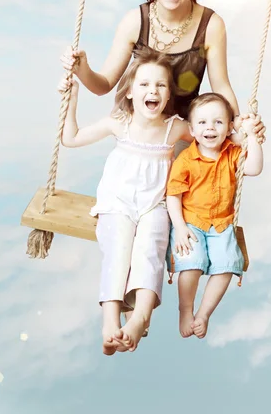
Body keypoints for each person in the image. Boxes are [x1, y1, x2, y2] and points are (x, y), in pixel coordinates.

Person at [59, 0, 266, 141]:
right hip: (140, 132)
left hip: (184, 132)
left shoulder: (211, 25)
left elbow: (221, 86)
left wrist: (237, 124)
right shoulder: (134, 22)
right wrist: (82, 69)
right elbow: (103, 85)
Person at [59, 49, 193, 356]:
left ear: (169, 93)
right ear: (130, 92)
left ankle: (138, 320)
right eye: (144, 85)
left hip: (154, 206)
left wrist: (247, 133)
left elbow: (215, 135)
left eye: (160, 85)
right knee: (119, 248)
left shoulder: (174, 128)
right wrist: (72, 98)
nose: (152, 91)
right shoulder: (119, 123)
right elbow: (72, 137)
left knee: (150, 250)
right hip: (117, 203)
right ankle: (110, 322)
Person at [166, 92, 263, 339]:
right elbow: (173, 195)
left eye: (218, 122)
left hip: (221, 224)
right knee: (192, 263)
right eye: (202, 123)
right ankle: (185, 310)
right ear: (192, 129)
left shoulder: (231, 152)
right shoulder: (186, 159)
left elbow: (254, 168)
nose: (210, 128)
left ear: (230, 127)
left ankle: (204, 313)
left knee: (227, 266)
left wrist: (252, 137)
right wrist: (179, 227)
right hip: (191, 222)